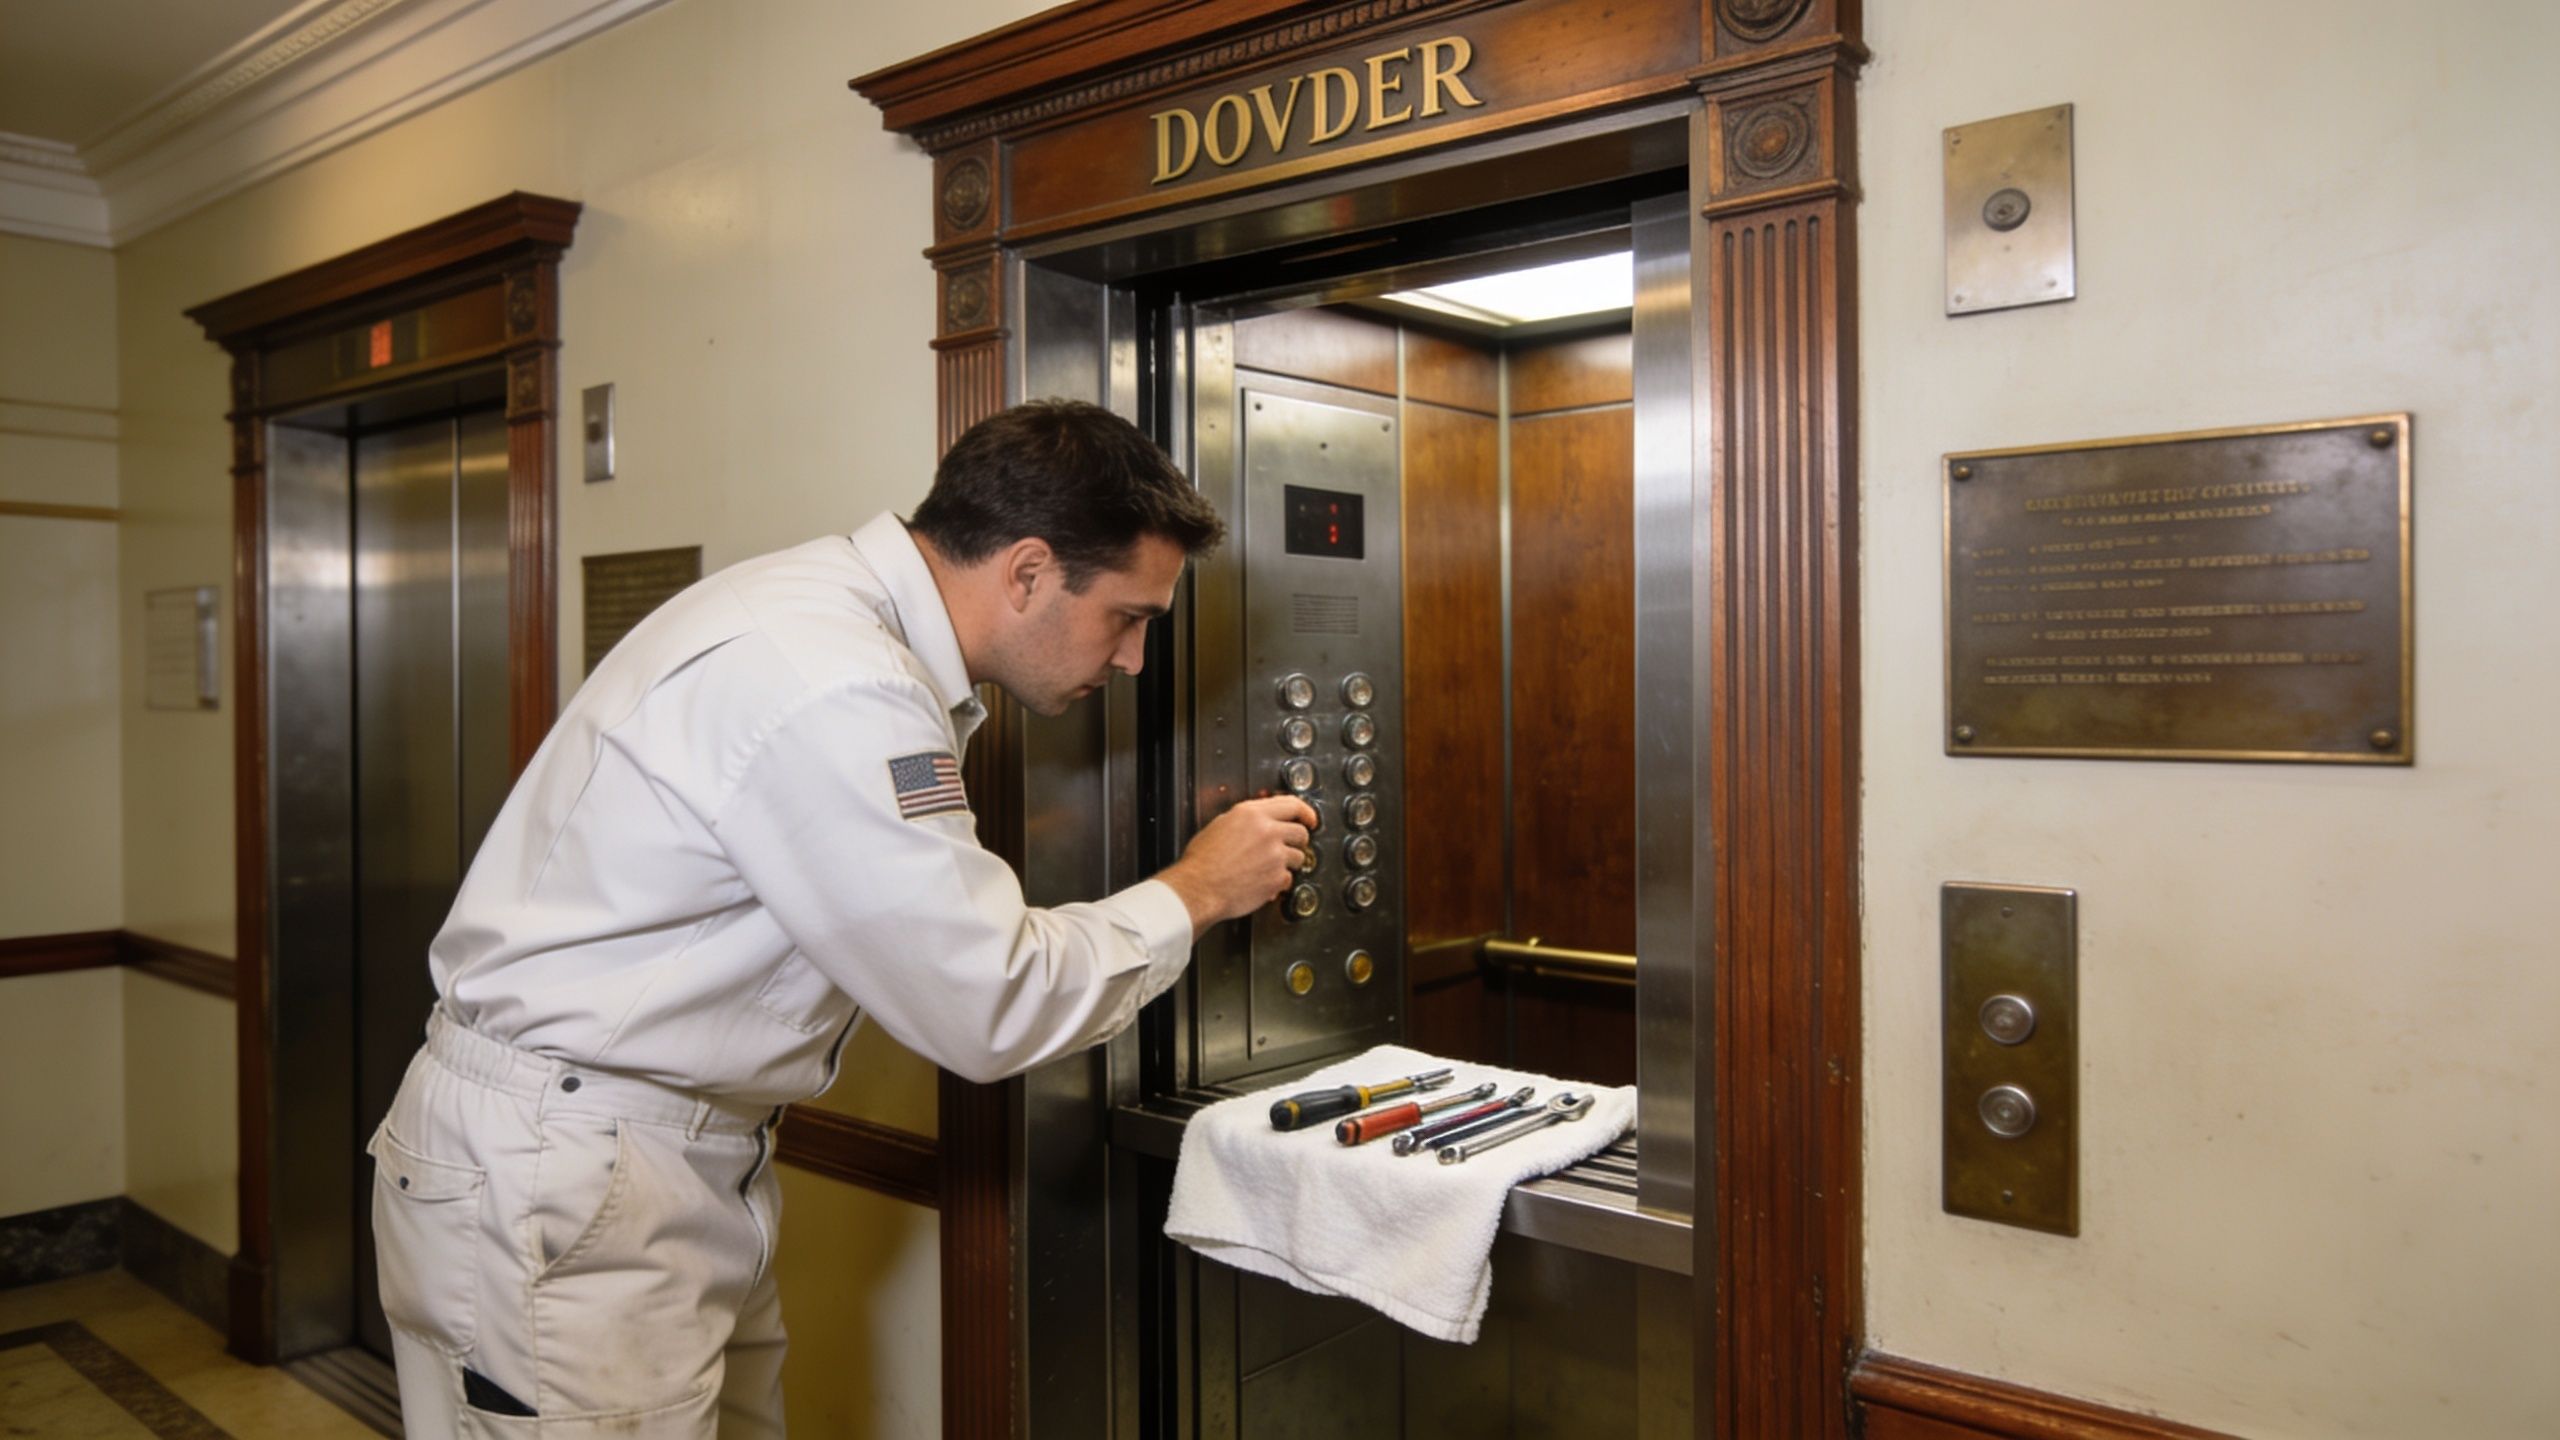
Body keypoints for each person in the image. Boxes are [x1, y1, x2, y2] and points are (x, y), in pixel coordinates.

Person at [366, 399, 1313, 1436]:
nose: (1130, 660)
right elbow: (987, 1003)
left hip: (644, 1149)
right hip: (574, 1163)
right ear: (1029, 571)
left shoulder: (824, 618)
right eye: (1128, 617)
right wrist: (1198, 890)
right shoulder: (838, 680)